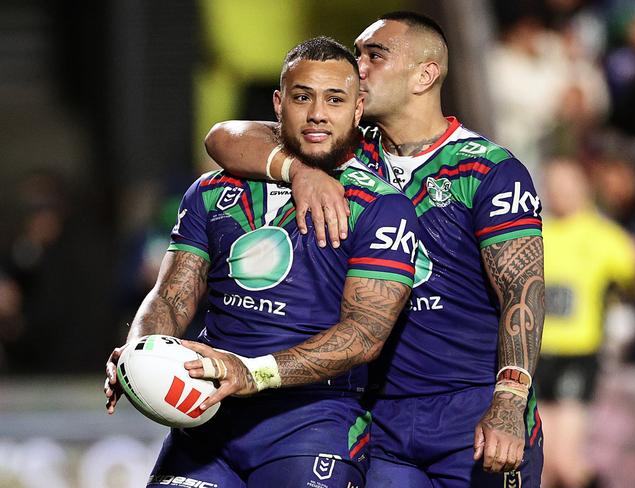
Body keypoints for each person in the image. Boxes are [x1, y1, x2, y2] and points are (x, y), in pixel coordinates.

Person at [204, 11, 545, 487]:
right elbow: (223, 136)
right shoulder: (345, 155)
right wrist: (298, 172)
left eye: (374, 55)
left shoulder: (490, 170)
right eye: (357, 53)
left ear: (425, 75)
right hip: (378, 418)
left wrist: (509, 400)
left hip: (472, 413)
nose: (357, 66)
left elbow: (522, 291)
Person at [104, 37, 420, 488]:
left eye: (335, 99)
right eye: (301, 96)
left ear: (357, 109)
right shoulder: (212, 191)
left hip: (312, 424)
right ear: (278, 103)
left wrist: (253, 372)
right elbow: (171, 296)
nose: (317, 113)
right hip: (207, 420)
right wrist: (141, 353)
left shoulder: (381, 207)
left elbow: (364, 335)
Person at [537, 157, 635, 488]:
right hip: (538, 355)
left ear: (584, 187)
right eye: (553, 184)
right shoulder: (537, 232)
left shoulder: (604, 236)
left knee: (568, 464)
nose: (559, 192)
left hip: (577, 355)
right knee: (546, 468)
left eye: (567, 184)